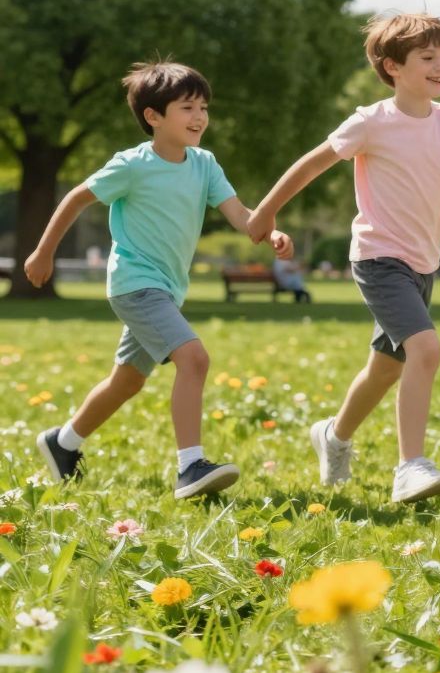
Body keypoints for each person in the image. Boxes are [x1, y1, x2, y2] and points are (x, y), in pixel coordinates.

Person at [246, 12, 440, 504]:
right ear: (392, 66)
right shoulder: (372, 121)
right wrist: (266, 211)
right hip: (378, 257)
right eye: (427, 57)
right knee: (426, 350)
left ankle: (334, 435)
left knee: (387, 367)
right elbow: (313, 162)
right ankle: (410, 466)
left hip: (422, 263)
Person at [24, 60, 293, 498]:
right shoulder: (132, 165)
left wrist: (271, 231)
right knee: (195, 359)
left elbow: (241, 216)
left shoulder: (204, 165)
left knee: (127, 380)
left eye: (203, 106)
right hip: (135, 283)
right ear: (153, 116)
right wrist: (43, 252)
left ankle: (63, 442)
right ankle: (190, 467)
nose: (200, 117)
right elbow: (76, 198)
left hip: (168, 289)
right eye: (187, 107)